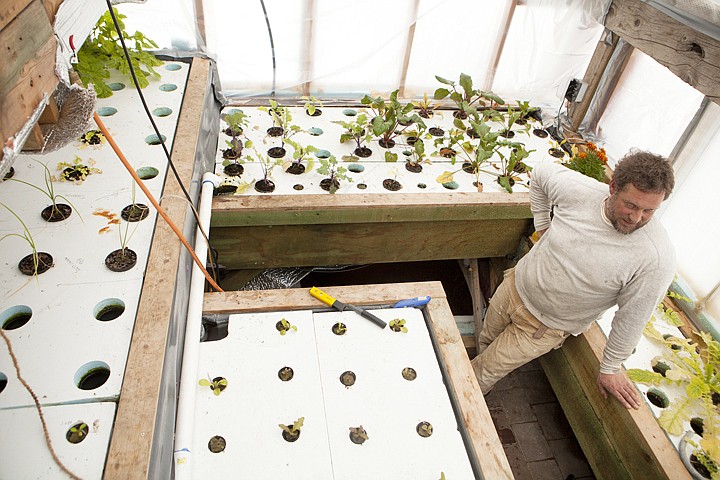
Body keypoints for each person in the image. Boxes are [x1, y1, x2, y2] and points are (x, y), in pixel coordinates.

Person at [471, 150, 676, 409]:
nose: (636, 219)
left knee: (483, 371)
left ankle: (460, 401)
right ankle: (478, 390)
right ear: (612, 187)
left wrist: (611, 366)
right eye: (631, 205)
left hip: (541, 328)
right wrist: (543, 225)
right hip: (515, 286)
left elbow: (633, 317)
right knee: (485, 340)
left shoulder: (655, 258)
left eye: (649, 211)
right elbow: (541, 174)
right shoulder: (579, 191)